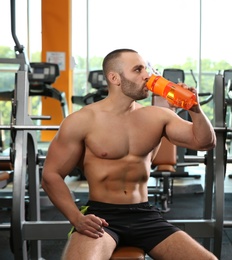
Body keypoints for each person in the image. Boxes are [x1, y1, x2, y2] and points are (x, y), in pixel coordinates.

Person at [41, 48, 217, 260]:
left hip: (145, 216)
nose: (147, 75)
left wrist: (194, 109)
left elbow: (205, 142)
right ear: (114, 78)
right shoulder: (82, 120)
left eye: (146, 69)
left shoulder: (157, 116)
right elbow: (51, 174)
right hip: (102, 216)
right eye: (138, 70)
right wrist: (77, 218)